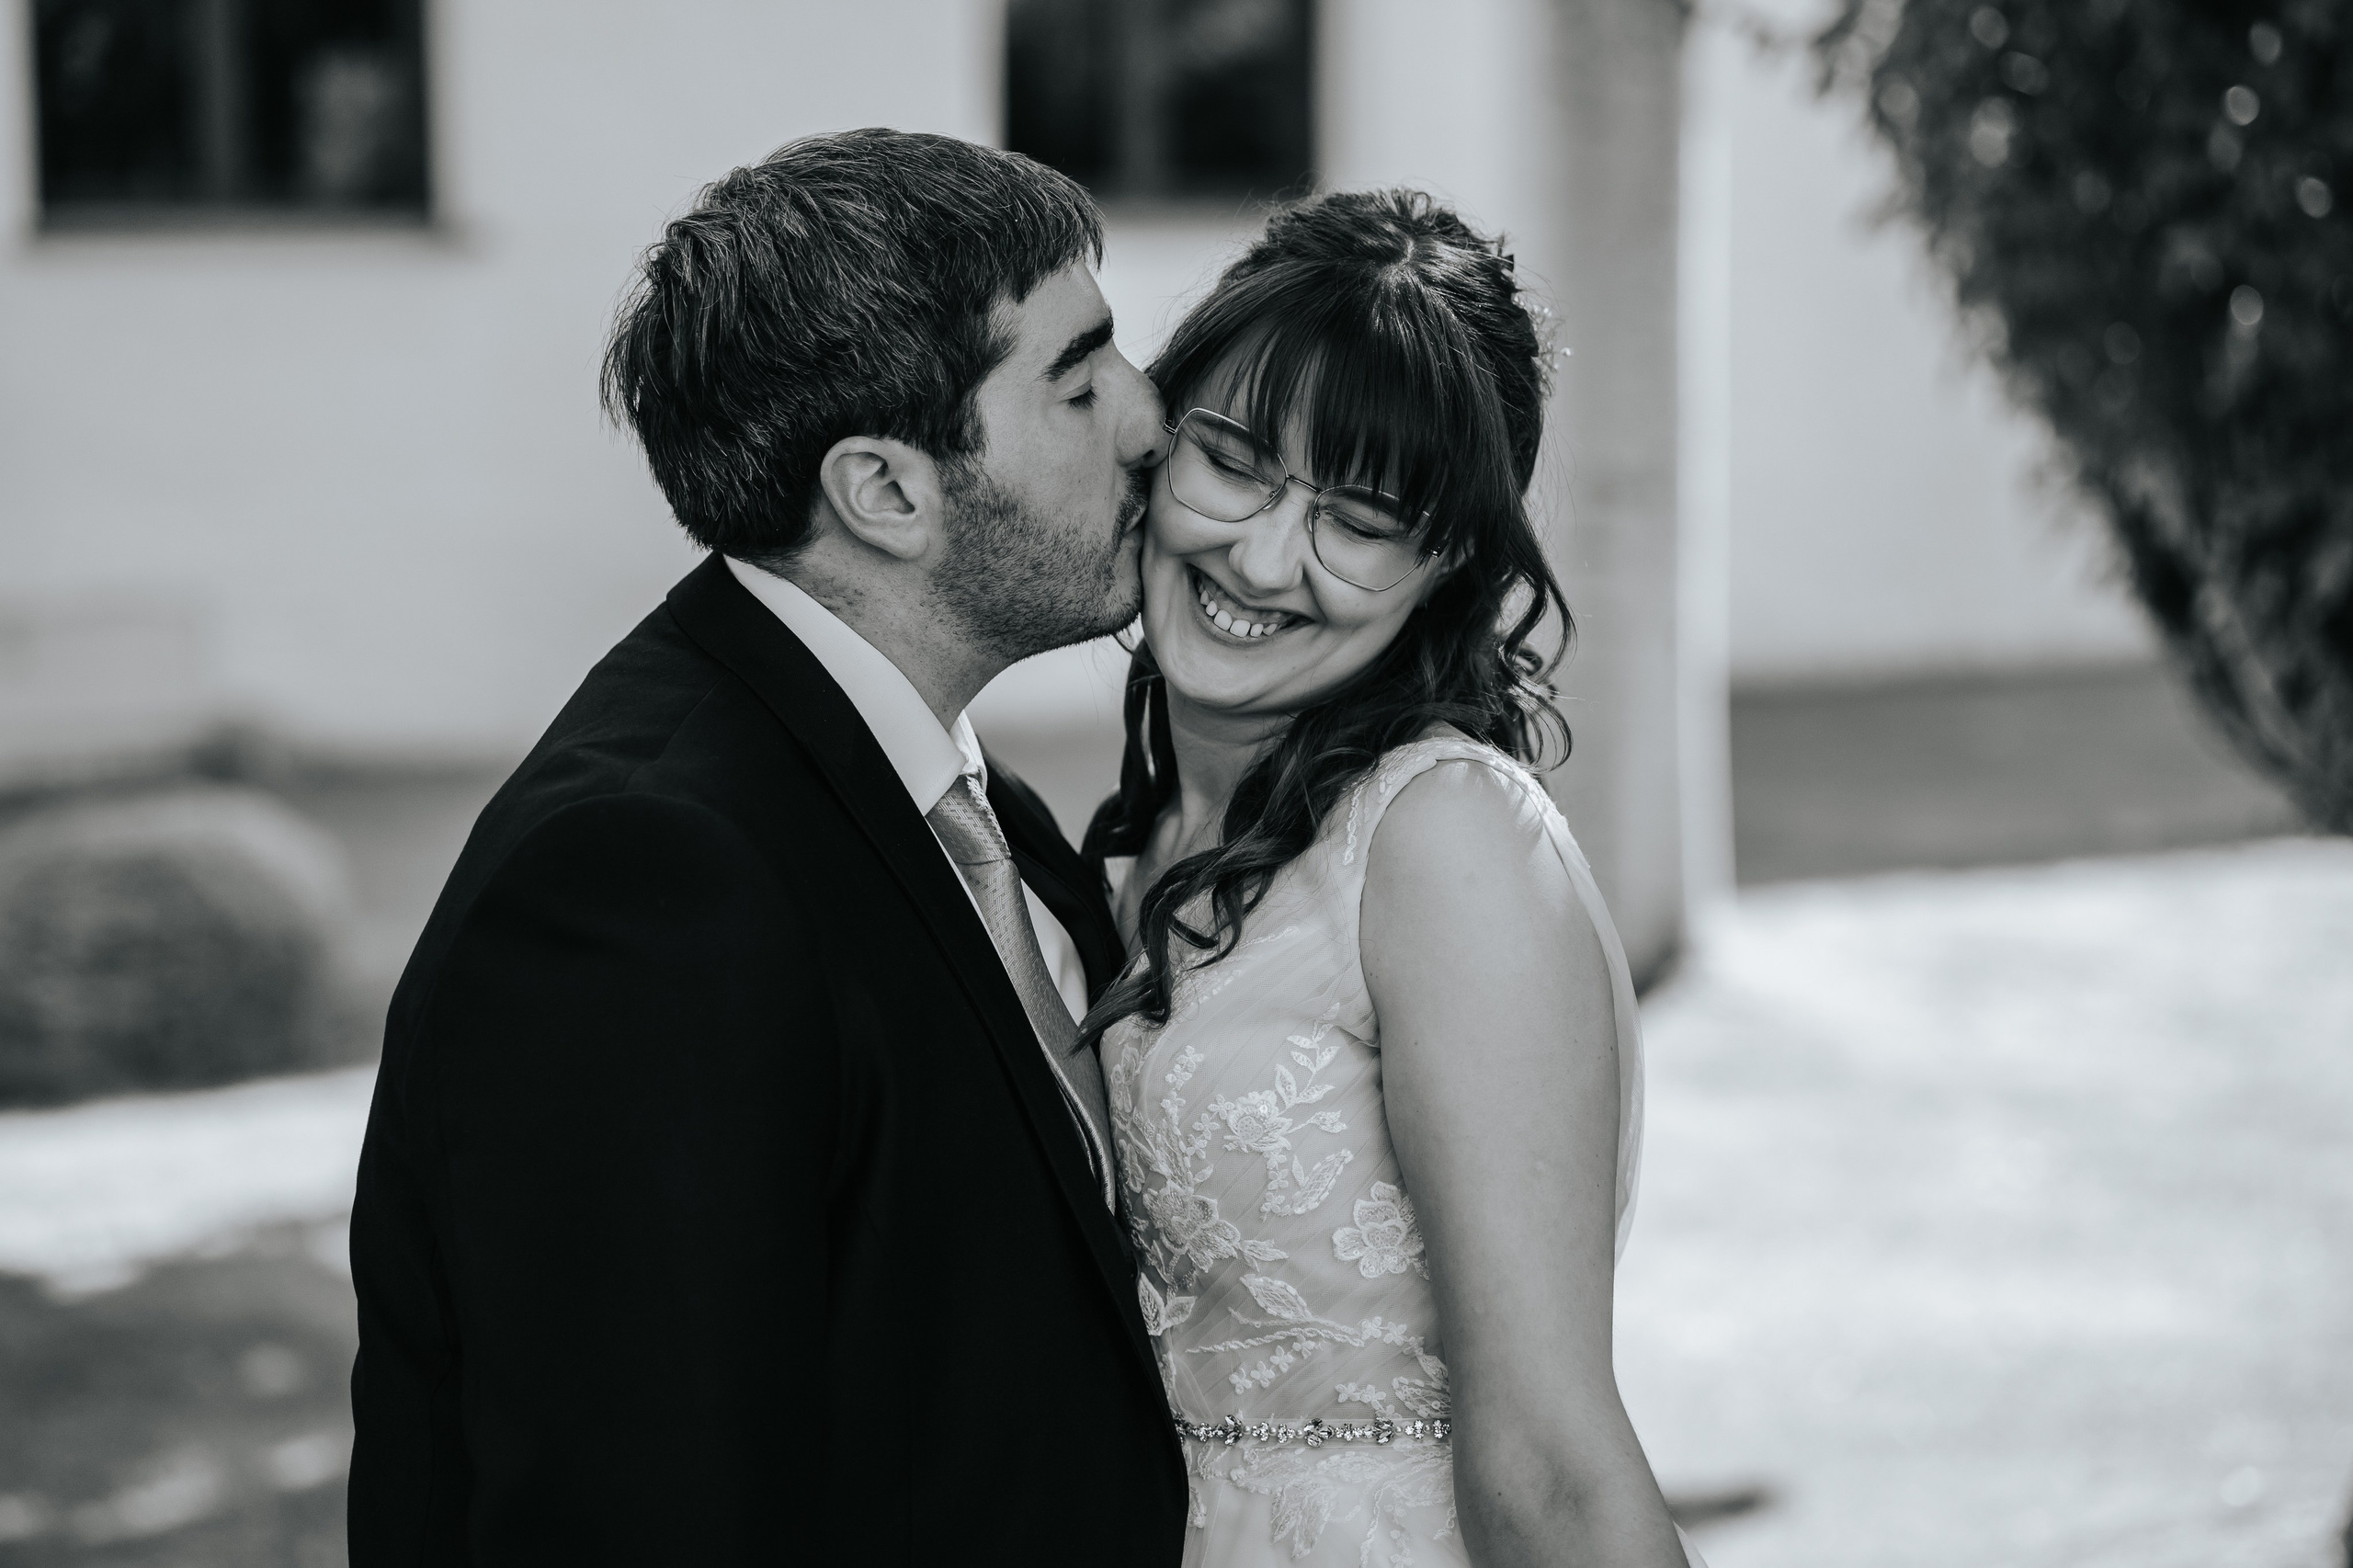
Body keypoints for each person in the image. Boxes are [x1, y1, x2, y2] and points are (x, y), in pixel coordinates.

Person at [346, 130, 1188, 1564]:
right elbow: (627, 1513)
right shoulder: (644, 884)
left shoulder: (981, 813)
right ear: (888, 493)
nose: (1149, 417)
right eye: (1079, 375)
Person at [1083, 190, 1703, 1567]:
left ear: (1447, 571)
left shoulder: (1443, 842)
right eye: (1234, 460)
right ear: (1159, 435)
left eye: (1359, 518)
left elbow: (1550, 1459)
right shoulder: (1135, 845)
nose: (1260, 556)